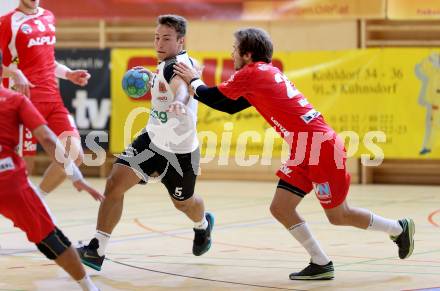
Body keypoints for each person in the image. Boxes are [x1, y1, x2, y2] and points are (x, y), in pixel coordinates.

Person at [173, 27, 415, 280]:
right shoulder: (267, 73)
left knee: (339, 215)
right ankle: (321, 262)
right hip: (305, 148)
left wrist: (193, 79)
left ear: (247, 54)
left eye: (234, 50)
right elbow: (229, 106)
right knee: (280, 207)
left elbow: (214, 97)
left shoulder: (253, 73)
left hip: (320, 148)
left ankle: (398, 228)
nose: (231, 54)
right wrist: (195, 88)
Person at [77, 14, 214, 271]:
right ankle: (97, 249)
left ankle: (203, 225)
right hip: (151, 141)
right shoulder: (169, 63)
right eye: (156, 37)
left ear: (180, 41)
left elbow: (181, 87)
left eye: (166, 39)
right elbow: (169, 80)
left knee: (184, 203)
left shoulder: (177, 66)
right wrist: (152, 79)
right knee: (114, 183)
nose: (159, 43)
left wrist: (179, 101)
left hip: (180, 153)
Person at [0, 49, 103, 290]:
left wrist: (65, 73)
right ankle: (89, 287)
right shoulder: (15, 100)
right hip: (8, 182)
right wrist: (75, 177)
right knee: (51, 239)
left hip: (11, 181)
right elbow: (47, 138)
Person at [0, 0, 90, 197]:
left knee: (74, 155)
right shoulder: (7, 22)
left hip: (53, 100)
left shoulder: (48, 16)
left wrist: (68, 74)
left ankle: (38, 198)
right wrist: (14, 73)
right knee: (23, 170)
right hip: (24, 103)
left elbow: (48, 61)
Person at [415, 52, 440, 155]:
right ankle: (426, 147)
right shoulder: (431, 74)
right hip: (433, 106)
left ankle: (427, 147)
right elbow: (417, 70)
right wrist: (426, 60)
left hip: (435, 106)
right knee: (430, 127)